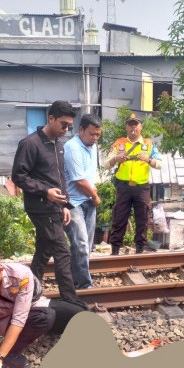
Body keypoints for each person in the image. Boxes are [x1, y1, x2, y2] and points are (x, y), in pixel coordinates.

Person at [0, 245, 87, 368]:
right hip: (6, 321)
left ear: (0, 270)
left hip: (33, 307)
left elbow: (19, 318)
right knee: (45, 317)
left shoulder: (21, 275)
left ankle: (45, 331)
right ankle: (10, 352)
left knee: (80, 312)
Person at [11, 99, 80, 302]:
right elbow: (19, 176)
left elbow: (59, 178)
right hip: (41, 208)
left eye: (69, 126)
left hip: (54, 207)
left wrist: (65, 205)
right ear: (51, 118)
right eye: (63, 125)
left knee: (43, 252)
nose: (66, 130)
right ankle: (70, 301)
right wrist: (45, 192)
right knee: (63, 252)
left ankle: (29, 295)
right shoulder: (30, 144)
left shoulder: (58, 145)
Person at [104, 113, 162, 255]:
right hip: (123, 187)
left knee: (143, 217)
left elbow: (159, 163)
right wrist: (116, 158)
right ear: (126, 127)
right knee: (119, 217)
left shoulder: (149, 144)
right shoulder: (119, 143)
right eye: (130, 124)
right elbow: (106, 164)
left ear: (141, 126)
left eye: (136, 124)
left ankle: (140, 248)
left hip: (142, 187)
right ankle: (115, 249)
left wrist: (148, 159)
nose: (133, 127)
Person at [63, 113, 102, 289]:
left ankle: (75, 283)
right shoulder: (72, 147)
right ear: (81, 130)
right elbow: (79, 181)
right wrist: (95, 196)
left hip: (88, 201)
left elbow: (89, 176)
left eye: (97, 135)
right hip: (73, 203)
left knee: (84, 247)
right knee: (81, 245)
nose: (94, 138)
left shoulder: (92, 147)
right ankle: (85, 286)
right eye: (91, 134)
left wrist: (92, 195)